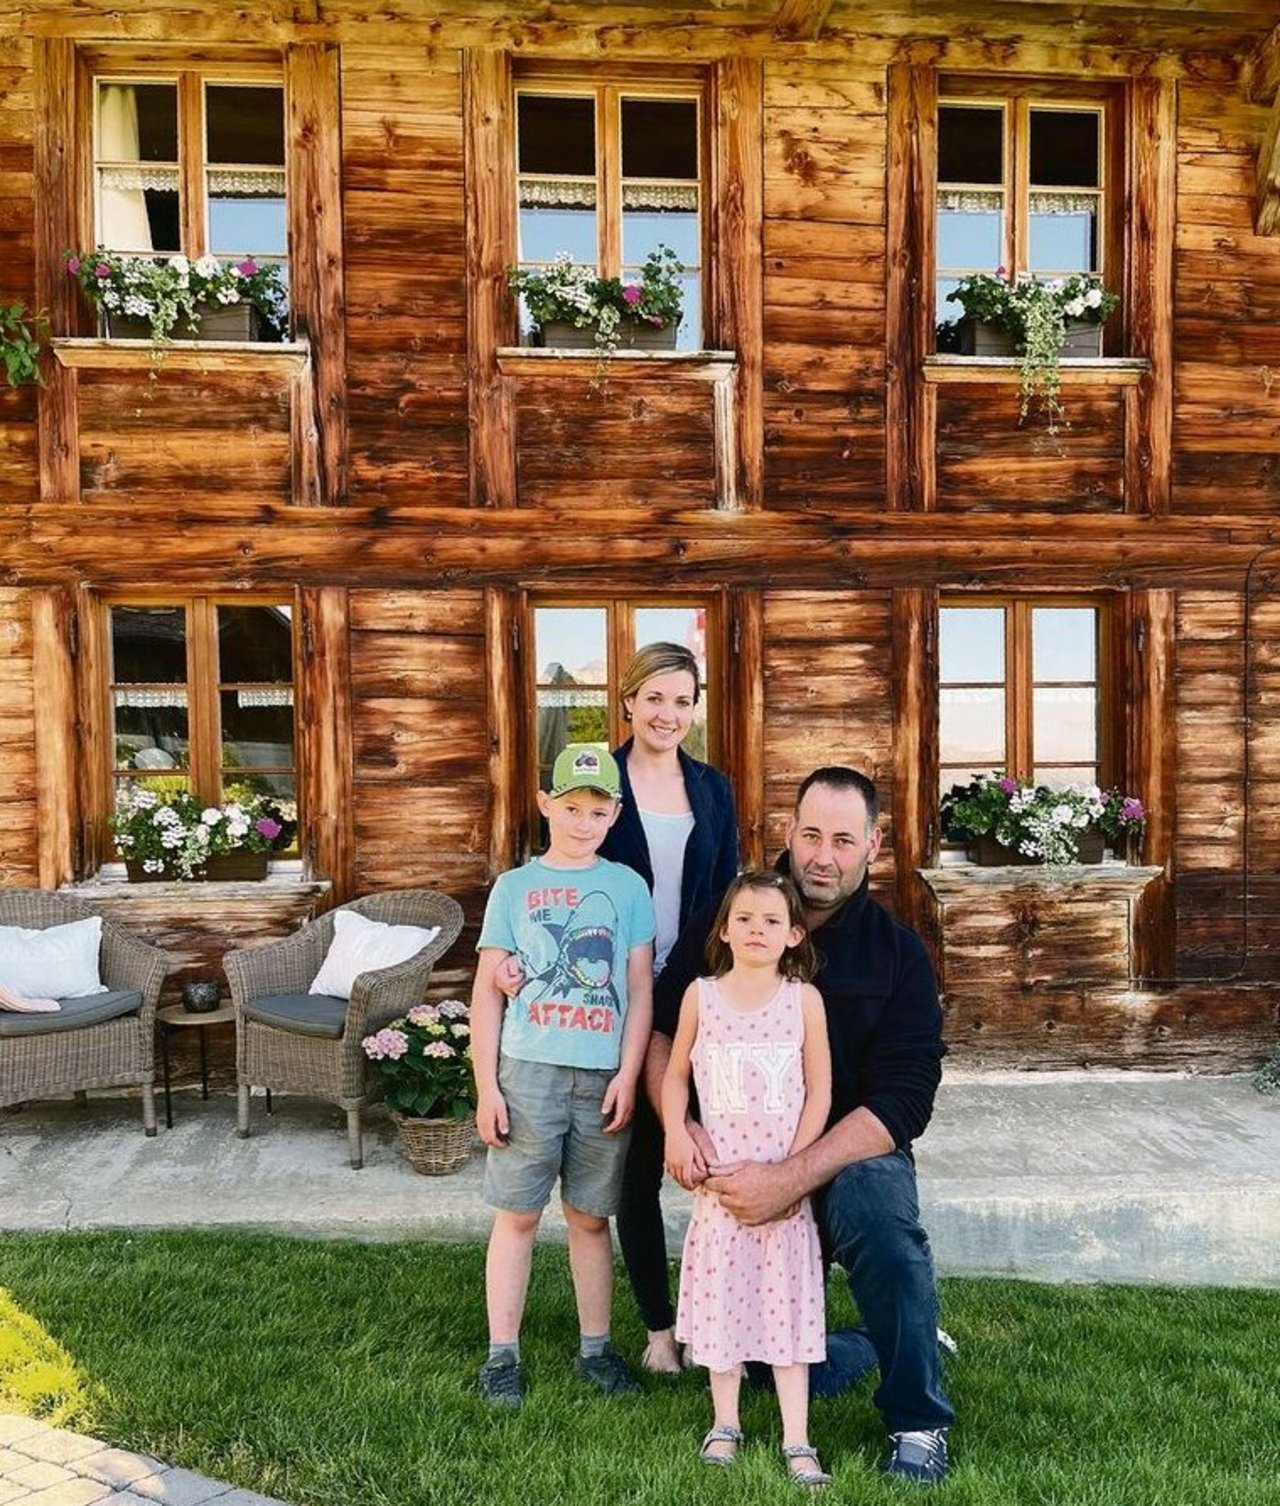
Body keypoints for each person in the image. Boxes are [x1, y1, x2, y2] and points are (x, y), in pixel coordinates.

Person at [648, 766, 955, 1484]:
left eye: (843, 840)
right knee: (764, 1365)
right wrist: (679, 1125)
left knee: (882, 1218)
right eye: (811, 835)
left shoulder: (897, 953)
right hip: (739, 1154)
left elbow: (905, 1098)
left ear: (873, 844)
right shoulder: (736, 915)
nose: (822, 856)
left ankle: (918, 1422)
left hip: (845, 1156)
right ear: (789, 832)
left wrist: (792, 1177)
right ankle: (881, 1341)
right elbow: (666, 1027)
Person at [470, 743, 655, 1410]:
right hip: (529, 1073)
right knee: (519, 1213)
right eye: (572, 808)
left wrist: (629, 1074)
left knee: (589, 1217)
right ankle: (502, 1354)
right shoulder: (514, 888)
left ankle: (596, 1350)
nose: (584, 822)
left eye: (597, 811)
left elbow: (639, 991)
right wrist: (487, 1086)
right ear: (547, 804)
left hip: (601, 1076)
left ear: (615, 814)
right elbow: (486, 991)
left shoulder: (628, 888)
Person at [663, 872, 834, 1489]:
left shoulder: (803, 1000)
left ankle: (797, 1437)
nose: (756, 929)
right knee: (722, 1305)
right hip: (721, 1188)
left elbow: (820, 1092)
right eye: (744, 919)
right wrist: (677, 1131)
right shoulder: (701, 996)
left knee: (788, 1313)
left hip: (782, 1193)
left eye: (770, 921)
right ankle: (725, 1422)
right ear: (725, 930)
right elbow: (675, 1075)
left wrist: (793, 1173)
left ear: (793, 935)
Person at [600, 640, 739, 1376]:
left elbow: (724, 895)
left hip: (693, 994)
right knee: (637, 1169)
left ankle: (728, 1315)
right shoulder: (600, 778)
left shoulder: (713, 789)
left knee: (717, 1150)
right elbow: (564, 871)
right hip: (613, 998)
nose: (667, 714)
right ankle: (659, 1329)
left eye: (682, 701)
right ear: (628, 701)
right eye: (654, 698)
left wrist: (711, 983)